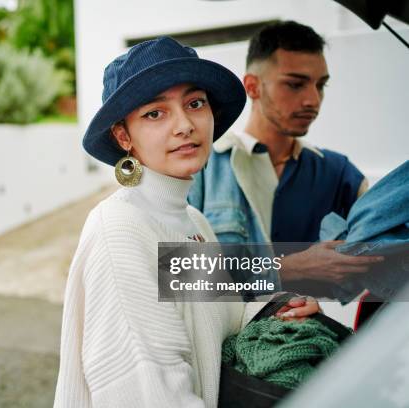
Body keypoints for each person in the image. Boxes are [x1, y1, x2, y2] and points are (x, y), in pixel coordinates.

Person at [54, 37, 320, 408]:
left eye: (195, 104)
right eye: (155, 113)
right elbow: (149, 394)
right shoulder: (120, 231)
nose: (184, 126)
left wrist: (281, 310)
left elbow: (220, 320)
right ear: (123, 136)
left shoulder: (191, 220)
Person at [187, 21, 383, 290]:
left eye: (321, 85)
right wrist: (291, 268)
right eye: (295, 85)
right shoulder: (203, 169)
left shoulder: (339, 174)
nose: (312, 100)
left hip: (314, 330)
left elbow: (384, 255)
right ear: (253, 87)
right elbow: (179, 276)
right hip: (229, 330)